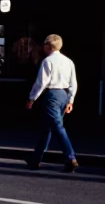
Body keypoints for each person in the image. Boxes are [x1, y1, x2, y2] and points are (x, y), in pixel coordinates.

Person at [26, 34, 78, 172]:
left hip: (52, 95)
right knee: (47, 128)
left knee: (56, 126)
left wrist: (32, 98)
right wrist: (71, 100)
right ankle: (36, 159)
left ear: (48, 46)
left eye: (44, 45)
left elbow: (41, 82)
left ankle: (70, 157)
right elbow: (73, 83)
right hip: (64, 94)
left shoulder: (47, 61)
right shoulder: (68, 61)